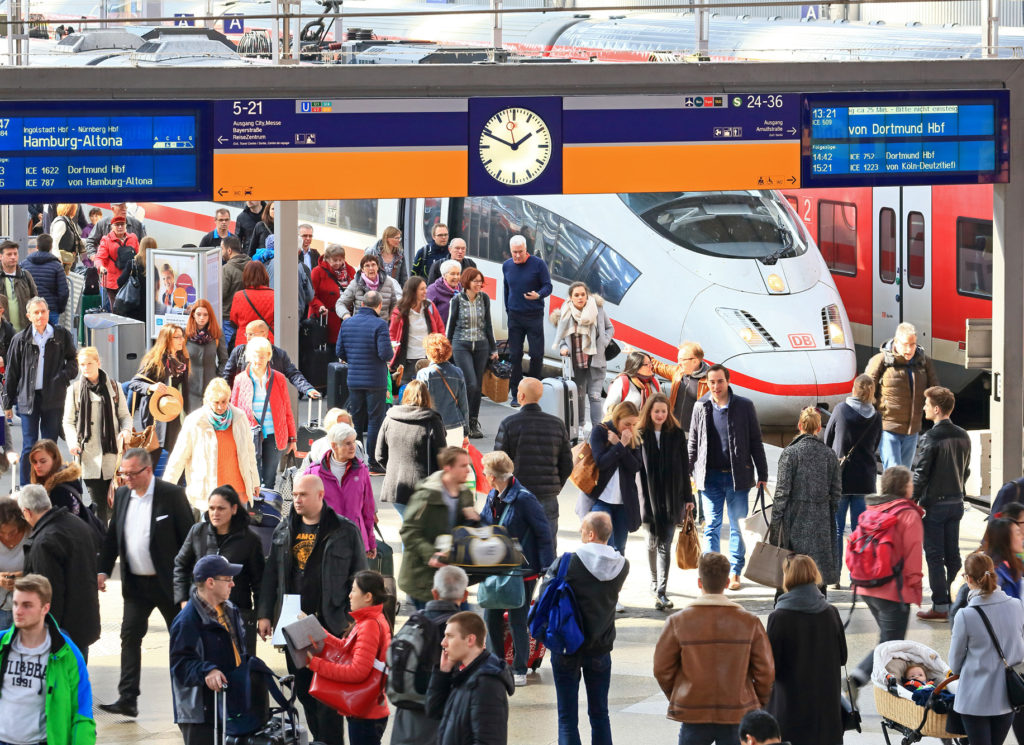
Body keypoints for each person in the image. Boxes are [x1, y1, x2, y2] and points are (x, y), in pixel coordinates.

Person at [257, 473, 368, 745]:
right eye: (294, 495)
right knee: (304, 691)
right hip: (294, 627)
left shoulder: (344, 530)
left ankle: (330, 741)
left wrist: (353, 619)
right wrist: (264, 613)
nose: (297, 500)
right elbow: (271, 575)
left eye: (303, 495)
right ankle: (320, 739)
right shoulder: (284, 529)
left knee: (328, 693)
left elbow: (361, 577)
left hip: (331, 625)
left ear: (320, 496)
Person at [97, 448, 194, 718]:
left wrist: (188, 587)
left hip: (169, 585)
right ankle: (128, 698)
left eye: (131, 473)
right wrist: (102, 570)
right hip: (136, 586)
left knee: (182, 641)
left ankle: (186, 698)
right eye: (123, 473)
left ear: (148, 471)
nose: (125, 478)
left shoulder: (172, 496)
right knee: (129, 637)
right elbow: (112, 536)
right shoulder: (124, 494)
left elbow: (190, 541)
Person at [653, 552, 775, 745]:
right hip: (737, 711)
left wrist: (679, 695)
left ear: (699, 583)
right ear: (727, 582)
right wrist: (756, 701)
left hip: (694, 711)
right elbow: (765, 671)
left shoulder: (678, 622)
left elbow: (662, 669)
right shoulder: (749, 622)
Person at [547, 511, 628, 745]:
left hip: (567, 646)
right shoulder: (622, 565)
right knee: (600, 713)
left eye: (583, 529)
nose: (580, 533)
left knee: (567, 718)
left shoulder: (567, 562)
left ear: (591, 534)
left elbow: (547, 592)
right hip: (600, 646)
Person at [846, 466, 924, 703]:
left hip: (866, 586)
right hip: (893, 591)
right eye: (910, 482)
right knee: (890, 645)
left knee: (888, 642)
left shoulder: (873, 509)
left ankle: (885, 687)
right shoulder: (908, 515)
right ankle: (857, 680)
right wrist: (915, 590)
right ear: (904, 486)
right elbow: (913, 559)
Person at [688, 364, 768, 591]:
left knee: (737, 526)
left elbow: (755, 441)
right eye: (711, 382)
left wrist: (762, 473)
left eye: (719, 381)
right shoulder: (700, 406)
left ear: (728, 381)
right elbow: (693, 443)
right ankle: (711, 575)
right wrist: (687, 473)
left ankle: (734, 572)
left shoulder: (744, 406)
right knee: (711, 525)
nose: (715, 386)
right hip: (709, 477)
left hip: (737, 477)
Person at [480, 450, 554, 687]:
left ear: (493, 476)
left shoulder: (524, 498)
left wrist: (545, 566)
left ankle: (519, 668)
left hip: (522, 570)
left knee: (517, 618)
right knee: (491, 614)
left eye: (485, 472)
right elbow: (484, 526)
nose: (483, 475)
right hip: (497, 566)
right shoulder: (493, 496)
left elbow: (543, 532)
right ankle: (497, 663)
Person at [0, 574, 96, 745]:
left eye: (27, 605)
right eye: (15, 604)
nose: (18, 611)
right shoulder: (1, 644)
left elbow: (82, 712)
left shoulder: (68, 653)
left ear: (45, 608)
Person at [173, 485, 265, 656]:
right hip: (201, 612)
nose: (215, 513)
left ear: (234, 509)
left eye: (221, 508)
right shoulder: (197, 532)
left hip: (238, 614)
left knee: (240, 667)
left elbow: (260, 582)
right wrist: (183, 600)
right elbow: (180, 566)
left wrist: (263, 616)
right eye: (211, 508)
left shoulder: (250, 540)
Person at [765, 555, 846, 745]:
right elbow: (843, 658)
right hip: (826, 712)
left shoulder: (779, 617)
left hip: (790, 711)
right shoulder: (831, 612)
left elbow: (771, 666)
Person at [169, 554, 249, 745]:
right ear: (211, 582)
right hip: (201, 713)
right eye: (228, 580)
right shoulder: (187, 621)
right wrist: (207, 670)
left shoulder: (230, 609)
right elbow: (180, 666)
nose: (233, 584)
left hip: (228, 704)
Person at [307, 570, 392, 745]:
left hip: (366, 714)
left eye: (353, 590)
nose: (349, 595)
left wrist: (315, 664)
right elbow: (347, 648)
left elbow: (357, 671)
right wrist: (317, 630)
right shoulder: (371, 619)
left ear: (368, 596)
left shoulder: (369, 625)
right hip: (369, 710)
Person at [18, 485, 101, 661]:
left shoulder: (44, 541)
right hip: (83, 622)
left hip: (60, 633)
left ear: (27, 512)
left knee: (60, 685)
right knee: (77, 681)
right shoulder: (77, 524)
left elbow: (48, 594)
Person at [949, 551, 1024, 745]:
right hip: (1008, 697)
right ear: (993, 573)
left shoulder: (965, 616)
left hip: (975, 700)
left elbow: (955, 665)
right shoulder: (1016, 605)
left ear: (968, 579)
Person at [391, 566, 470, 745]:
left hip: (406, 720)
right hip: (441, 723)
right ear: (465, 595)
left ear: (434, 593)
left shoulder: (412, 623)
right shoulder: (464, 631)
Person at [912, 385, 971, 621]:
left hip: (934, 505)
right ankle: (957, 600)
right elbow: (966, 470)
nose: (924, 407)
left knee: (935, 556)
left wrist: (911, 502)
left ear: (936, 409)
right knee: (953, 555)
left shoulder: (931, 437)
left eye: (927, 404)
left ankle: (940, 606)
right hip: (956, 502)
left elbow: (921, 473)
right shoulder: (963, 435)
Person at [5, 296, 78, 486]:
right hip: (28, 398)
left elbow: (73, 362)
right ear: (29, 316)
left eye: (43, 311)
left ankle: (49, 486)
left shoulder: (61, 336)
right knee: (29, 445)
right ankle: (25, 488)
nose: (40, 316)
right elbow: (12, 372)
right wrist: (7, 403)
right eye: (36, 312)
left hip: (54, 398)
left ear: (48, 313)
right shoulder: (20, 339)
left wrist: (62, 377)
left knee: (49, 445)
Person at [493, 377, 572, 551]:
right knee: (547, 547)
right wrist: (555, 486)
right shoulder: (557, 425)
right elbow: (567, 463)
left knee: (517, 551)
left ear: (520, 396)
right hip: (548, 497)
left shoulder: (509, 424)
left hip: (517, 496)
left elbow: (498, 464)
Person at [768, 407, 842, 590]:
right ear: (818, 429)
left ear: (799, 426)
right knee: (818, 578)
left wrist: (775, 527)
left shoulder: (790, 454)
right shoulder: (829, 454)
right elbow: (836, 492)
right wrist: (826, 510)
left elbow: (781, 493)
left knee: (790, 576)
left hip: (794, 520)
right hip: (821, 521)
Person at [399, 447, 479, 608]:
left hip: (452, 578)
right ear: (448, 468)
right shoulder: (427, 495)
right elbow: (409, 532)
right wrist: (431, 554)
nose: (468, 470)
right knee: (435, 628)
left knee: (460, 624)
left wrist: (471, 515)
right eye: (463, 466)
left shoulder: (464, 494)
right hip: (424, 580)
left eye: (468, 465)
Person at [823, 373, 883, 588]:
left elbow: (827, 439)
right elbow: (875, 445)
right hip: (865, 479)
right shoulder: (876, 416)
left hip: (840, 478)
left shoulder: (840, 410)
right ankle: (857, 578)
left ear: (854, 389)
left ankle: (834, 578)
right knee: (860, 532)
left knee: (837, 531)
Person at [165, 378, 261, 511]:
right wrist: (166, 489)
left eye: (224, 401)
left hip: (238, 490)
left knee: (239, 531)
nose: (221, 407)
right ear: (208, 401)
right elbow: (178, 458)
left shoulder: (239, 417)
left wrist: (255, 482)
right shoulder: (194, 421)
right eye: (216, 402)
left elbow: (250, 453)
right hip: (209, 491)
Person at [62, 346, 132, 525]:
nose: (85, 368)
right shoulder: (75, 390)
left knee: (114, 504)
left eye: (89, 364)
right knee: (99, 503)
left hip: (113, 455)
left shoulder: (114, 387)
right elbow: (68, 421)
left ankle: (111, 540)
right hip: (88, 455)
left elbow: (125, 416)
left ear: (98, 363)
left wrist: (125, 431)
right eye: (82, 364)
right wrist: (72, 442)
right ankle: (103, 542)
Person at [638, 393, 692, 610]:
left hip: (672, 497)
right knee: (651, 543)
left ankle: (661, 589)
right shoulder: (641, 435)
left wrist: (688, 498)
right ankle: (653, 582)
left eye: (663, 411)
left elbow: (684, 468)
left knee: (664, 545)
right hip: (648, 498)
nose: (660, 415)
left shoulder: (676, 434)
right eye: (656, 411)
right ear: (649, 412)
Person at [426, 611, 514, 745]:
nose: (443, 643)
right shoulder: (467, 674)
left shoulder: (486, 684)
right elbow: (434, 710)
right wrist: (443, 673)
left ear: (470, 640)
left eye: (449, 636)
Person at [865, 321, 940, 469]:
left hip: (912, 431)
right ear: (896, 342)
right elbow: (866, 390)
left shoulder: (924, 362)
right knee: (894, 472)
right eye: (906, 344)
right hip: (888, 428)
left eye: (913, 344)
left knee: (904, 475)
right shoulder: (881, 361)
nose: (909, 349)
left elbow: (935, 390)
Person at [337, 290, 393, 475]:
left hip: (354, 379)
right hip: (376, 380)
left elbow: (340, 352)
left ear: (361, 304)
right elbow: (385, 354)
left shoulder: (348, 323)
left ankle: (354, 459)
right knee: (375, 420)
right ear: (379, 305)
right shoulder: (380, 324)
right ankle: (374, 463)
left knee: (357, 420)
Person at [230, 336, 297, 488]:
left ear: (268, 356)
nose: (258, 360)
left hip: (274, 434)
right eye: (255, 355)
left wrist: (292, 438)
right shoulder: (240, 379)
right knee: (252, 479)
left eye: (262, 356)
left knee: (269, 479)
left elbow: (287, 409)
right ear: (248, 356)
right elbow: (233, 409)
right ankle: (254, 511)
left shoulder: (278, 378)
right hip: (249, 434)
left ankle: (267, 511)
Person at [303, 423, 378, 558]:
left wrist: (371, 542)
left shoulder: (361, 470)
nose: (352, 447)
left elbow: (368, 509)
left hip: (354, 540)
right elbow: (304, 510)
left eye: (354, 442)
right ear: (334, 446)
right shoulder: (313, 472)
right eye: (347, 443)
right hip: (324, 542)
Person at [551, 281, 615, 430]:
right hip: (576, 363)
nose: (580, 298)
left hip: (595, 361)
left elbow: (609, 327)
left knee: (595, 396)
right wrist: (564, 347)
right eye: (576, 295)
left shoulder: (598, 309)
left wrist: (604, 341)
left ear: (587, 296)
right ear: (571, 297)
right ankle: (579, 427)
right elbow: (562, 338)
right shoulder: (566, 312)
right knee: (578, 396)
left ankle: (597, 429)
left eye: (583, 294)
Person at [377, 381, 447, 518]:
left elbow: (379, 455)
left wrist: (394, 470)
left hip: (395, 486)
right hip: (424, 487)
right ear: (427, 397)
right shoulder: (432, 421)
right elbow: (442, 457)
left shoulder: (390, 418)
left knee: (409, 529)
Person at [589, 401, 644, 560]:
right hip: (601, 499)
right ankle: (601, 581)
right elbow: (601, 462)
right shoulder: (600, 431)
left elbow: (635, 466)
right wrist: (620, 446)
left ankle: (615, 583)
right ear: (617, 419)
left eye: (634, 424)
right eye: (627, 424)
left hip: (623, 502)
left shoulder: (633, 437)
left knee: (619, 548)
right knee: (605, 546)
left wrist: (621, 445)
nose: (630, 428)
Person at [447, 267, 498, 439]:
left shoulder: (484, 298)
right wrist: (447, 349)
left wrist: (493, 348)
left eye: (480, 281)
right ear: (467, 282)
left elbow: (488, 324)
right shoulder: (457, 299)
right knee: (471, 384)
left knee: (478, 388)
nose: (479, 284)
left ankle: (473, 422)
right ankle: (462, 420)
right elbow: (451, 324)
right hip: (461, 344)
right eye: (475, 281)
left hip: (481, 346)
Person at [502, 235, 552, 404]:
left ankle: (534, 391)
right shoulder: (507, 266)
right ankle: (516, 393)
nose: (517, 256)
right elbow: (506, 289)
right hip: (515, 316)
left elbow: (548, 285)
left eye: (520, 252)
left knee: (536, 355)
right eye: (514, 252)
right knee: (514, 355)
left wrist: (539, 295)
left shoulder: (538, 264)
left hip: (534, 315)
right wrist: (508, 310)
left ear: (526, 250)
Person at [128, 324, 190, 456]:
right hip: (156, 415)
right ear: (167, 339)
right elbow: (134, 383)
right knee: (153, 455)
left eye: (182, 336)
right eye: (177, 337)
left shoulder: (181, 359)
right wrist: (151, 387)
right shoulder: (155, 360)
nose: (182, 340)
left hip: (174, 413)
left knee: (178, 457)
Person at [221, 319, 319, 398]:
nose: (248, 338)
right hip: (244, 401)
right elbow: (227, 375)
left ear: (264, 334)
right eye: (247, 334)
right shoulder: (239, 352)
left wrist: (308, 389)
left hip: (271, 403)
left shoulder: (279, 355)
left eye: (251, 334)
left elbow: (294, 374)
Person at [392, 276, 446, 387]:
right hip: (407, 361)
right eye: (422, 289)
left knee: (429, 392)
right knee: (407, 393)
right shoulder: (400, 310)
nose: (425, 291)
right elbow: (392, 334)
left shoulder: (430, 306)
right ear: (412, 291)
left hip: (428, 358)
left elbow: (440, 329)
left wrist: (441, 349)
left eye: (425, 288)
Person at [417, 333, 470, 446]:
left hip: (431, 426)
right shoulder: (458, 372)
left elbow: (419, 405)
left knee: (433, 462)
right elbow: (463, 404)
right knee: (453, 462)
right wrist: (465, 431)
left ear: (429, 352)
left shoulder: (424, 374)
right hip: (455, 425)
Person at [651, 342, 711, 436]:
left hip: (694, 435)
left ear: (695, 361)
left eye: (682, 360)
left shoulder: (711, 380)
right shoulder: (678, 372)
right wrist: (636, 354)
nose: (678, 363)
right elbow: (658, 366)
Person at [27, 439, 90, 523]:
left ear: (55, 459)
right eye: (34, 462)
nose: (38, 466)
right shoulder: (56, 481)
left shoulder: (59, 490)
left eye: (43, 461)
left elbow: (60, 525)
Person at [184, 299, 228, 412]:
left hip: (211, 388)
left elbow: (224, 360)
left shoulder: (217, 333)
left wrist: (217, 378)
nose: (202, 318)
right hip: (189, 389)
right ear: (193, 315)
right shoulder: (185, 334)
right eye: (198, 314)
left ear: (210, 316)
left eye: (205, 315)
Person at [310, 243, 356, 347]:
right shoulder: (317, 272)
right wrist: (320, 306)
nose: (338, 263)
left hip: (346, 318)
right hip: (325, 319)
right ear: (327, 259)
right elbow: (311, 295)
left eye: (341, 260)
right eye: (335, 260)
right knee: (328, 352)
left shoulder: (350, 271)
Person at [336, 253, 403, 322]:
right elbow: (340, 303)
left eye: (373, 265)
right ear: (362, 269)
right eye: (367, 266)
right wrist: (346, 316)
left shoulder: (388, 282)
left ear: (378, 267)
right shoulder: (355, 284)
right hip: (361, 327)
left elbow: (394, 304)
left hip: (382, 327)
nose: (371, 268)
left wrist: (391, 318)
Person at [21, 235, 67, 327]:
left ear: (37, 247)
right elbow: (63, 291)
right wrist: (60, 308)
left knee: (32, 338)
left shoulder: (24, 264)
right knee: (51, 338)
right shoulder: (57, 266)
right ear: (51, 247)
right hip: (51, 309)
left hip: (31, 309)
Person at [301, 407, 367, 470]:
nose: (344, 428)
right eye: (339, 425)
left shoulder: (357, 446)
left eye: (347, 425)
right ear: (330, 427)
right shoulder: (319, 445)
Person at [95, 215, 138, 311]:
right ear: (112, 226)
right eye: (117, 225)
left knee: (130, 309)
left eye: (122, 224)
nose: (120, 227)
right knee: (115, 308)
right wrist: (100, 267)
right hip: (113, 282)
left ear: (126, 225)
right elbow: (99, 257)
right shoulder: (106, 240)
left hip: (129, 280)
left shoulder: (133, 238)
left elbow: (138, 255)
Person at [230, 260, 275, 346]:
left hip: (245, 340)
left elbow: (233, 320)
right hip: (267, 340)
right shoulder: (274, 295)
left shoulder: (239, 296)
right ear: (265, 275)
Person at [603, 351, 661, 417]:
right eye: (646, 364)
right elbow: (608, 409)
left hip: (648, 426)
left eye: (650, 363)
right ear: (636, 367)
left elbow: (662, 404)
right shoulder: (622, 382)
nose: (651, 366)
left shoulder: (654, 381)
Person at [0, 498, 28, 630]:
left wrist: (24, 577)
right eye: (1, 533)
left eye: (12, 532)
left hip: (27, 607)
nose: (6, 537)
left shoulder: (32, 533)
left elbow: (45, 568)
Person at [0, 239, 38, 332]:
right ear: (0, 256)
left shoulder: (25, 276)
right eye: (9, 254)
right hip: (3, 333)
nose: (13, 257)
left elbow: (35, 300)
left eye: (15, 254)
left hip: (25, 331)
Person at [220, 236, 250, 347]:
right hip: (246, 316)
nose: (221, 253)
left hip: (228, 317)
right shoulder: (251, 264)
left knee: (228, 351)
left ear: (229, 250)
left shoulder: (227, 269)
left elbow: (221, 294)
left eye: (222, 249)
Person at [113, 234, 148, 322]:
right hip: (150, 309)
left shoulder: (133, 263)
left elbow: (120, 282)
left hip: (133, 307)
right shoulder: (156, 265)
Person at [426, 259, 461, 325]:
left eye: (458, 274)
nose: (456, 277)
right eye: (452, 274)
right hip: (440, 332)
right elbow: (427, 315)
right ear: (444, 275)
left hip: (458, 332)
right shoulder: (432, 290)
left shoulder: (462, 290)